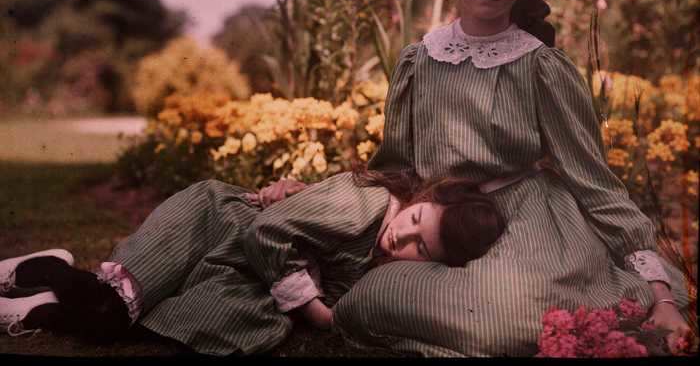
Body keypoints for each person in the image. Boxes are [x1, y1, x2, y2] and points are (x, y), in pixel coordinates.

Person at [328, 0, 693, 357]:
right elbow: (395, 168)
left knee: (509, 320)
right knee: (374, 295)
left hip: (525, 228)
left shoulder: (540, 66)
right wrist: (317, 195)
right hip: (437, 227)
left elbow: (595, 183)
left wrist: (659, 292)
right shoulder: (418, 60)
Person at [0, 168, 504, 356]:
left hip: (241, 268)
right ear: (420, 197)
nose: (403, 237)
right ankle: (43, 273)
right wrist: (316, 312)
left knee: (157, 325)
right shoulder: (368, 205)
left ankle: (43, 301)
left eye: (421, 247)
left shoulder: (384, 259)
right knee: (113, 312)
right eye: (416, 218)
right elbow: (268, 230)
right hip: (214, 227)